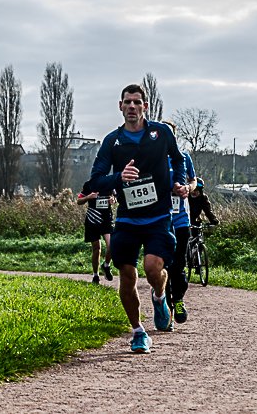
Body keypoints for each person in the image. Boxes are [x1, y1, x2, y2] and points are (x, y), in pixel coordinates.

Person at [89, 83, 188, 354]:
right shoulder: (112, 141)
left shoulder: (162, 132)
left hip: (158, 216)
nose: (131, 106)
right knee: (127, 274)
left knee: (153, 268)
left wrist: (179, 182)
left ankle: (159, 296)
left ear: (145, 106)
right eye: (127, 102)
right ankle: (138, 332)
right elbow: (96, 180)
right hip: (128, 219)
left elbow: (178, 161)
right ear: (120, 107)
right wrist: (118, 177)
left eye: (136, 102)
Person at [162, 120, 197, 327]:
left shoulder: (184, 157)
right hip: (159, 220)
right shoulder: (152, 158)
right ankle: (165, 309)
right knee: (162, 266)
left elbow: (193, 180)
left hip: (181, 220)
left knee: (178, 266)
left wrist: (188, 188)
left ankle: (178, 300)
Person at [76, 182, 115, 284]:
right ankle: (95, 275)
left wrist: (113, 200)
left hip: (106, 220)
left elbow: (115, 197)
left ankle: (106, 265)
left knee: (111, 246)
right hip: (92, 220)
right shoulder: (89, 185)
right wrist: (88, 197)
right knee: (97, 248)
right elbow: (79, 201)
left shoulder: (109, 182)